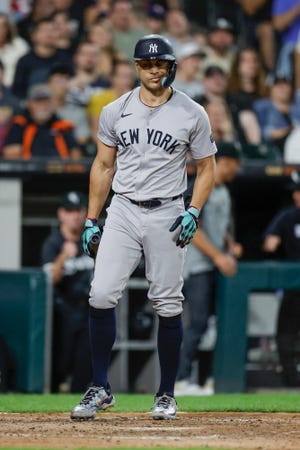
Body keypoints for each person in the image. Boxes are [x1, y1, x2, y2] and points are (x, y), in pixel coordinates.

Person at [70, 33, 216, 421]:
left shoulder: (192, 112)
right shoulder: (115, 110)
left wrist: (194, 210)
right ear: (137, 67)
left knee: (168, 302)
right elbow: (103, 165)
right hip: (122, 209)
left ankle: (166, 393)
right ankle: (100, 387)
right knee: (100, 294)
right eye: (147, 63)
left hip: (168, 211)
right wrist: (90, 218)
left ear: (171, 66)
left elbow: (206, 167)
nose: (154, 69)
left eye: (160, 63)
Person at [175, 142, 242, 396]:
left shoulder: (223, 190)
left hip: (214, 263)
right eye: (235, 163)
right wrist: (218, 257)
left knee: (212, 326)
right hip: (197, 265)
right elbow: (191, 228)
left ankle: (205, 380)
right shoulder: (203, 185)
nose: (237, 169)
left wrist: (230, 245)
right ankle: (180, 379)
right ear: (225, 162)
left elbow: (219, 226)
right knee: (198, 322)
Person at [41, 191, 94, 392]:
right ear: (61, 214)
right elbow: (50, 279)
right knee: (60, 362)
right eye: (70, 211)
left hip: (88, 308)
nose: (75, 216)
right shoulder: (53, 242)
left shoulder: (90, 240)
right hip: (62, 310)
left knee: (85, 364)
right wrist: (64, 256)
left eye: (79, 210)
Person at [262, 176, 300, 386]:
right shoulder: (288, 216)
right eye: (296, 192)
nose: (296, 195)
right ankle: (292, 380)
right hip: (293, 286)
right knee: (285, 335)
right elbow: (270, 243)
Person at [2, 83, 82, 159]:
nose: (43, 106)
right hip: (27, 171)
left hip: (59, 170)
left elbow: (75, 154)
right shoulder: (20, 124)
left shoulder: (63, 125)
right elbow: (10, 153)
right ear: (29, 104)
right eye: (39, 101)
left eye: (47, 101)